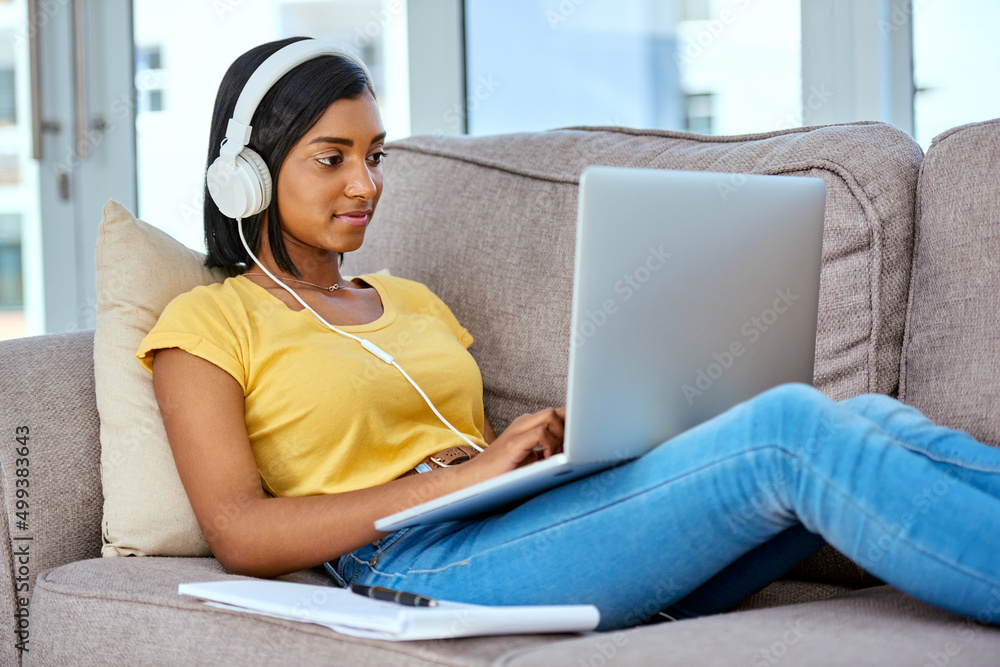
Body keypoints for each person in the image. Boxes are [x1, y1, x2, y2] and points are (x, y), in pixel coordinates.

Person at [137, 37, 1000, 632]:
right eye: (333, 157)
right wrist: (451, 482)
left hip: (527, 522)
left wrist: (543, 445)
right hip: (412, 566)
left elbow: (464, 452)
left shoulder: (409, 299)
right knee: (792, 432)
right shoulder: (209, 323)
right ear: (244, 174)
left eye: (377, 154)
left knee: (860, 420)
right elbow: (241, 531)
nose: (366, 183)